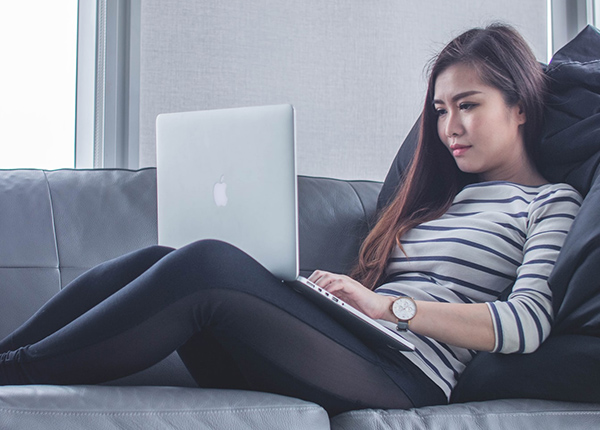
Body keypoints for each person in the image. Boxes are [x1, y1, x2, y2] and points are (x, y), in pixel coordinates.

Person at [0, 24, 582, 415]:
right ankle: (8, 357)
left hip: (410, 377)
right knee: (166, 259)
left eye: (468, 105)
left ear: (521, 106)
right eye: (439, 110)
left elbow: (527, 324)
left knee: (207, 264)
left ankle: (16, 374)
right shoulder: (441, 200)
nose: (449, 126)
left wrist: (391, 306)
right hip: (359, 347)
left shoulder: (550, 203)